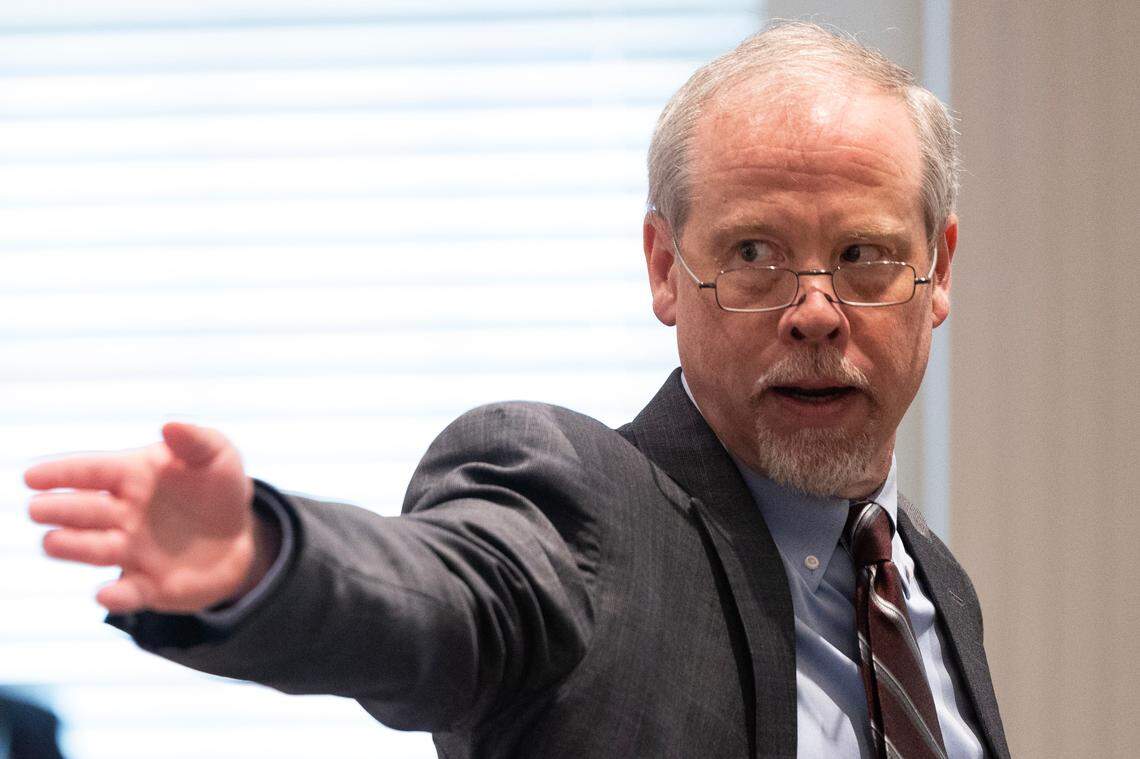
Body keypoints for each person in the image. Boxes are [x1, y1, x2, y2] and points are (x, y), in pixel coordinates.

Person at [24, 22, 1008, 759]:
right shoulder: (585, 513)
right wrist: (267, 559)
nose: (815, 311)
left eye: (865, 256)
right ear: (666, 269)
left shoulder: (930, 588)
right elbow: (442, 596)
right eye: (754, 253)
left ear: (940, 269)